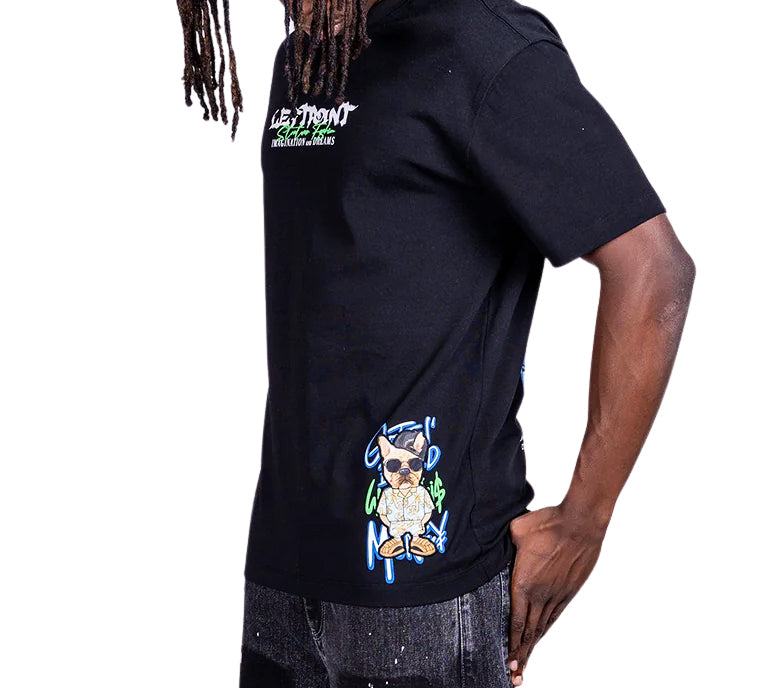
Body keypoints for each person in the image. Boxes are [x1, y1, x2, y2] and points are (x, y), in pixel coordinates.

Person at [176, 0, 695, 686]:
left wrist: (584, 520)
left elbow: (654, 270)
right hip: (284, 567)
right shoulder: (304, 61)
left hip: (425, 586)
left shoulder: (483, 46)